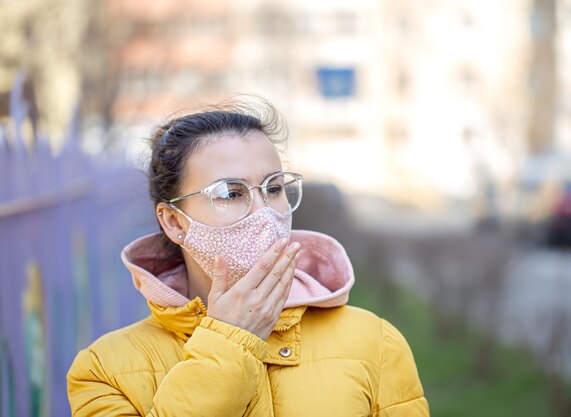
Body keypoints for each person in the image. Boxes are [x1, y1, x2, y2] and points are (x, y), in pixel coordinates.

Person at [66, 101, 429, 416]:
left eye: (273, 187)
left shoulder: (375, 343)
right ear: (174, 222)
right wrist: (228, 343)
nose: (264, 211)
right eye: (230, 193)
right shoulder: (104, 371)